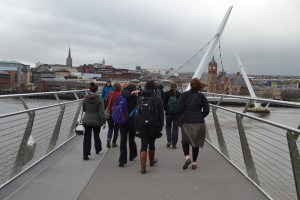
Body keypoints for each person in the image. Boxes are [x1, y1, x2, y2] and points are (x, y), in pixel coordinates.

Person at [177, 78, 209, 169]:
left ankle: (187, 157)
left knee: (185, 141)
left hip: (186, 121)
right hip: (199, 122)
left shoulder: (184, 95)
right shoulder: (202, 96)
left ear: (190, 85)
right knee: (196, 143)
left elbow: (179, 108)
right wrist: (200, 116)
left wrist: (184, 115)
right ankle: (194, 163)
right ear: (199, 86)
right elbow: (206, 110)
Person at [136, 80, 164, 174]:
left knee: (144, 144)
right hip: (154, 124)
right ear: (154, 88)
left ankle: (143, 166)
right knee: (152, 143)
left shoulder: (140, 97)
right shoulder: (157, 98)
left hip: (142, 124)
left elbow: (137, 113)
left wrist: (137, 127)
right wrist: (161, 126)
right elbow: (161, 113)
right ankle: (151, 161)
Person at [82, 82, 106, 160]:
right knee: (96, 135)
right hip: (96, 121)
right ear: (96, 91)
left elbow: (84, 109)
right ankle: (98, 149)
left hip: (87, 120)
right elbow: (101, 112)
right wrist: (104, 121)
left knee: (87, 137)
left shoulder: (85, 98)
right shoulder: (99, 100)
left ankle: (86, 154)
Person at [118, 84, 138, 167]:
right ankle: (132, 155)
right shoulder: (135, 98)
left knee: (123, 140)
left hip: (122, 120)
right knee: (131, 139)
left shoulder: (121, 96)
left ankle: (122, 160)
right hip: (132, 121)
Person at [163, 82, 181, 149]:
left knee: (168, 127)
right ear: (176, 87)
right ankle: (174, 143)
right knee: (175, 128)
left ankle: (169, 140)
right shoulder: (179, 94)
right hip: (176, 114)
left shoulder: (166, 94)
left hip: (168, 114)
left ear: (170, 87)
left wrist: (166, 110)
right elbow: (181, 105)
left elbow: (163, 103)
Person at [106, 82, 121, 148]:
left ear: (114, 87)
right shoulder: (121, 95)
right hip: (117, 114)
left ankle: (109, 139)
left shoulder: (110, 93)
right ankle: (114, 143)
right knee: (116, 129)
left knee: (110, 128)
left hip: (110, 114)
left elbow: (106, 102)